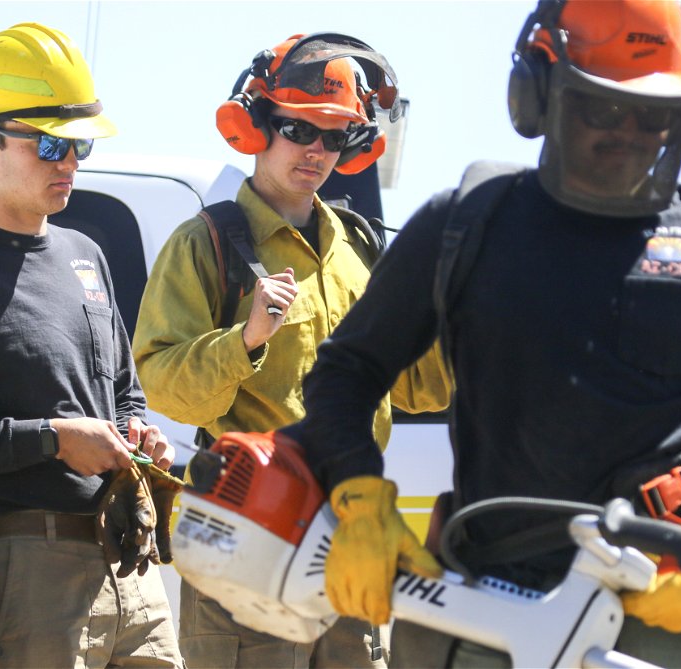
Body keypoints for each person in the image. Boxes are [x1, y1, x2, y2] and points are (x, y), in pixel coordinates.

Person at [274, 1, 681, 667]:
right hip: (485, 608)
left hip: (659, 611)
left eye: (654, 115)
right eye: (606, 109)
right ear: (538, 90)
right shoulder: (468, 222)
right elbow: (345, 371)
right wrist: (356, 496)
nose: (633, 132)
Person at [131, 33, 451, 669]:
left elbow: (420, 388)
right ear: (257, 125)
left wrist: (470, 320)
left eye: (334, 136)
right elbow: (163, 384)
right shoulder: (206, 244)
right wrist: (245, 340)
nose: (316, 150)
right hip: (247, 528)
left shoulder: (360, 250)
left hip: (347, 533)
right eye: (300, 128)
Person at [0, 23, 183, 668]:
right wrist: (53, 438)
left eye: (77, 146)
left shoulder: (88, 256)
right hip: (22, 573)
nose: (68, 162)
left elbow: (121, 389)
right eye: (50, 144)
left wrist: (136, 431)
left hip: (130, 566)